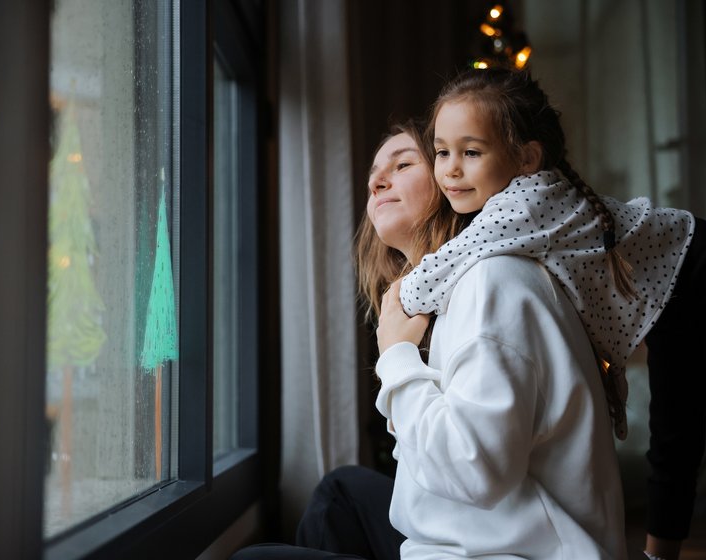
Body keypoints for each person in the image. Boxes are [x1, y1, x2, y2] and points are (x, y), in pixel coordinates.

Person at [399, 65, 706, 560]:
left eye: (470, 153)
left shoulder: (525, 203)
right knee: (674, 431)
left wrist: (396, 311)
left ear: (526, 158)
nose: (449, 169)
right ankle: (656, 556)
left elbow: (431, 279)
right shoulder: (510, 206)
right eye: (441, 152)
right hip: (669, 288)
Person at [231, 122, 628, 559]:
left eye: (403, 165)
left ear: (450, 183)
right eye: (373, 178)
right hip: (476, 531)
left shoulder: (489, 285)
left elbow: (473, 471)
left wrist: (398, 358)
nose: (378, 181)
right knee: (340, 490)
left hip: (512, 550)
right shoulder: (450, 293)